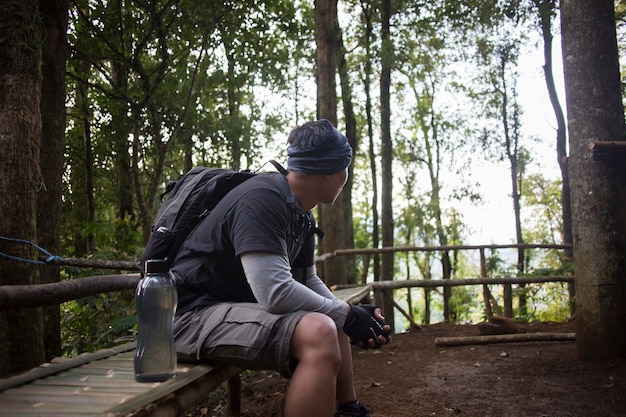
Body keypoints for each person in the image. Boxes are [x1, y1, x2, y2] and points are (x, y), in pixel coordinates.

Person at [170, 119, 391, 417]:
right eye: (345, 166)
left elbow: (307, 280)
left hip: (223, 311)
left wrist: (350, 314)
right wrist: (347, 315)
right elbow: (274, 292)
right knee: (322, 328)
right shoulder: (262, 199)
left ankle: (349, 410)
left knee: (330, 316)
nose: (346, 174)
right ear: (328, 171)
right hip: (187, 319)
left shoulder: (301, 213)